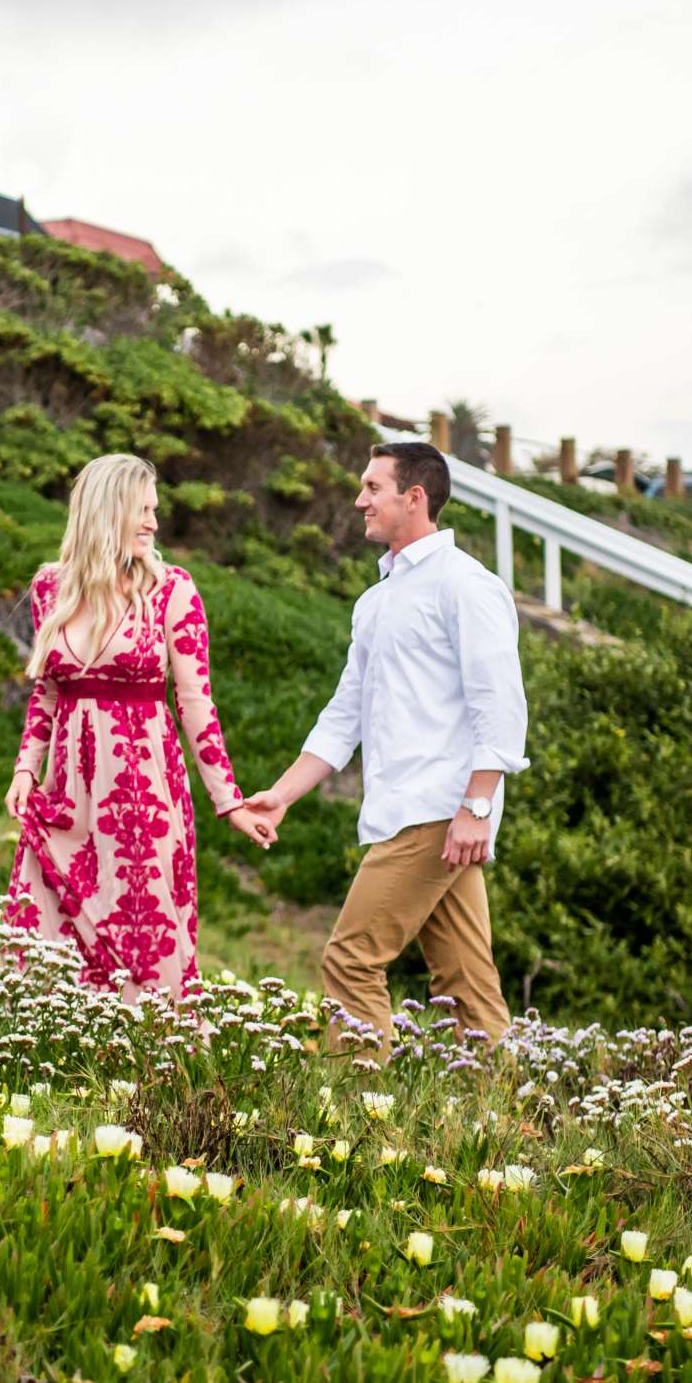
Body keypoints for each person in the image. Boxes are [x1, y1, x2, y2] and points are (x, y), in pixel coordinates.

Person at [243, 441, 528, 1062]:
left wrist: (476, 807)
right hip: (409, 809)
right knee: (466, 989)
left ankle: (356, 1118)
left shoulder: (466, 585)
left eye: (373, 488)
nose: (359, 500)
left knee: (350, 961)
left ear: (415, 497)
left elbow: (499, 703)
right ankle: (511, 1123)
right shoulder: (375, 602)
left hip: (438, 810)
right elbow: (345, 716)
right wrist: (283, 795)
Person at [3, 453, 277, 997]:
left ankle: (150, 1068)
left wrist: (231, 802)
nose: (154, 523)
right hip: (64, 791)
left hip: (140, 796)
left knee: (144, 940)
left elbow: (196, 703)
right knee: (47, 932)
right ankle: (55, 1059)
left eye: (155, 509)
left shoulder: (173, 591)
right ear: (107, 512)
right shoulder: (50, 588)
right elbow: (48, 690)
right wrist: (24, 771)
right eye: (142, 509)